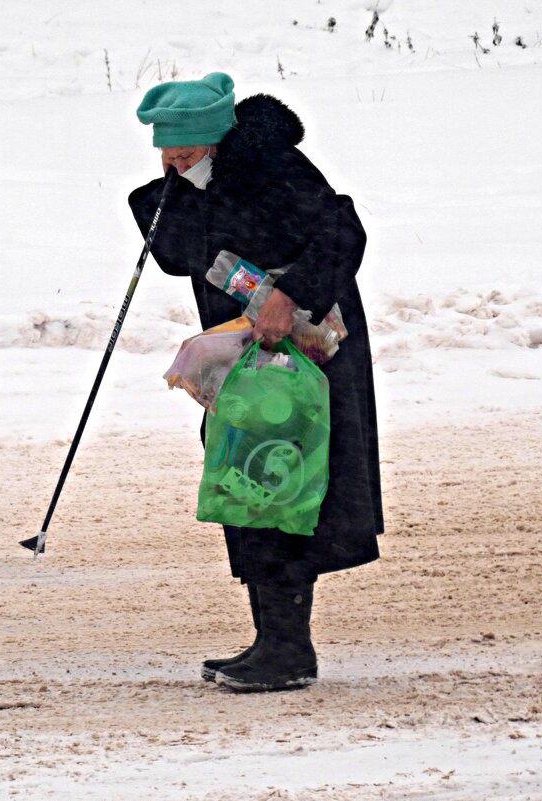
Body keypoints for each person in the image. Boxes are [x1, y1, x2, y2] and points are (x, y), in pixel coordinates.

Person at [129, 73, 383, 692]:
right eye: (166, 151)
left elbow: (343, 234)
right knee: (247, 483)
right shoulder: (195, 181)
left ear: (217, 142)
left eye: (185, 152)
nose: (173, 161)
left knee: (282, 486)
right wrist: (163, 199)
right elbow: (184, 256)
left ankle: (290, 653)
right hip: (244, 357)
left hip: (310, 351)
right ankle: (273, 642)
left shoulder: (275, 167)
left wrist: (292, 292)